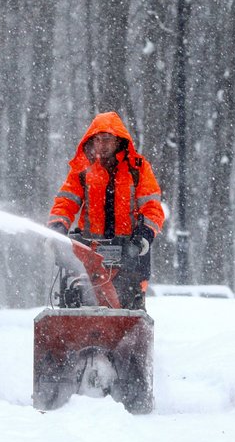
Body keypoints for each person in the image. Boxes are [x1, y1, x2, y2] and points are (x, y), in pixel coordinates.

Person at [48, 111, 165, 310]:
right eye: (98, 139)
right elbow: (66, 201)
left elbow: (152, 207)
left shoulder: (137, 169)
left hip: (129, 248)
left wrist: (144, 235)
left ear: (119, 140)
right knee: (78, 294)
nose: (102, 144)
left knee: (127, 299)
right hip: (89, 249)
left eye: (107, 138)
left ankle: (126, 330)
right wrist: (58, 226)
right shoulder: (82, 170)